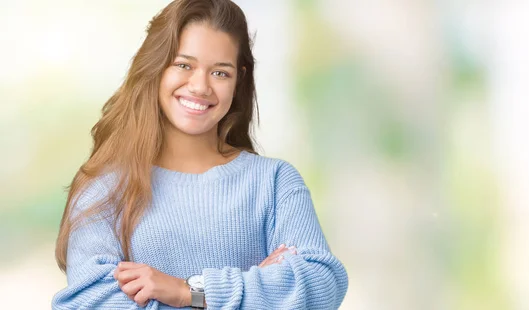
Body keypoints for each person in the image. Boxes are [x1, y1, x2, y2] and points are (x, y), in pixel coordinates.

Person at [51, 0, 348, 309]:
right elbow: (89, 303)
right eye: (184, 65)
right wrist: (257, 292)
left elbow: (321, 286)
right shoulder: (105, 187)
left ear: (239, 80)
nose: (200, 86)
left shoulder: (274, 182)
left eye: (220, 73)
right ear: (155, 67)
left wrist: (188, 291)